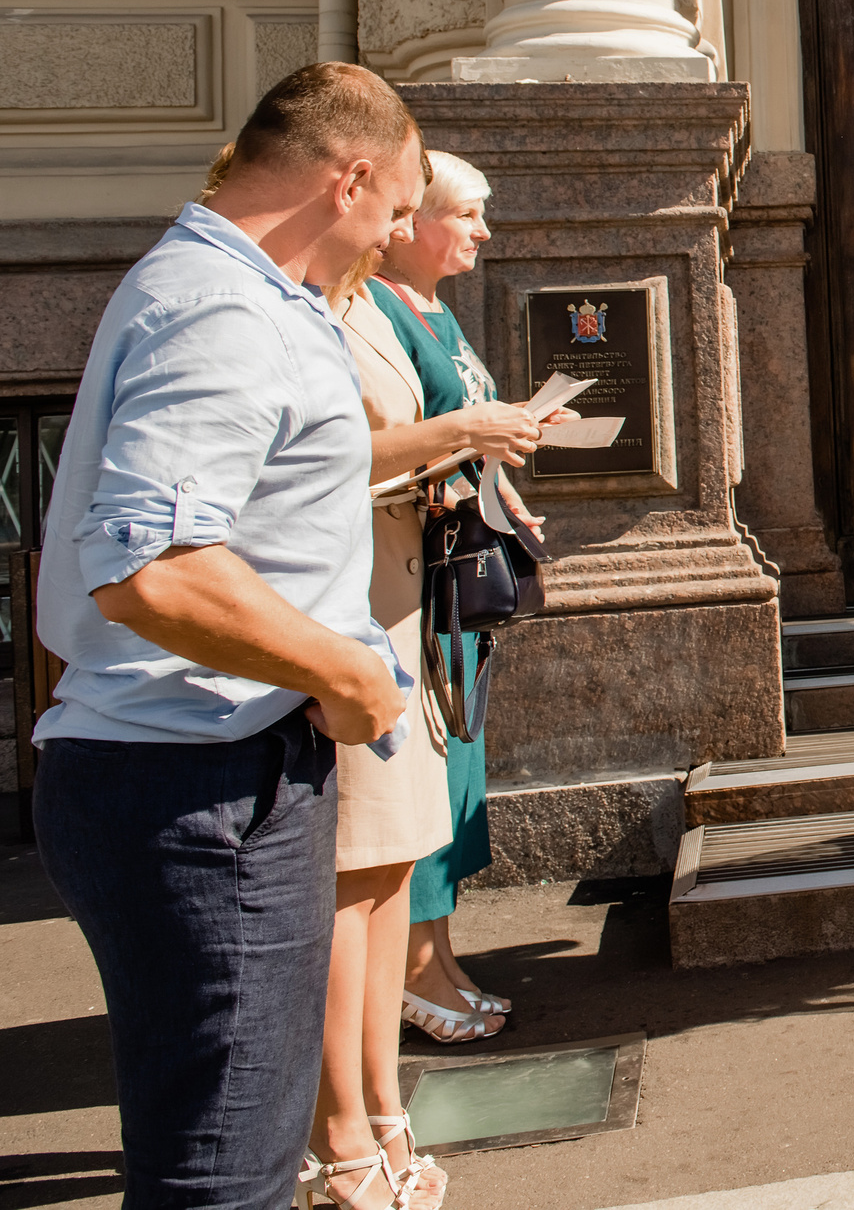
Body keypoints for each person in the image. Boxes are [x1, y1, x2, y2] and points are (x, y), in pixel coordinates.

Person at [32, 61, 416, 1210]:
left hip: (199, 770)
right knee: (224, 1175)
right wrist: (349, 672)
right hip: (204, 783)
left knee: (225, 1154)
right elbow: (150, 565)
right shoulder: (224, 304)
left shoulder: (237, 288)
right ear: (348, 180)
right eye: (396, 208)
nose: (394, 237)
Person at [305, 255, 485, 1210]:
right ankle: (339, 1142)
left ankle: (381, 1111)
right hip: (344, 611)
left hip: (396, 591)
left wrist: (442, 475)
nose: (402, 225)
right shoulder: (295, 303)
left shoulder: (360, 302)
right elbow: (309, 465)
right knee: (354, 868)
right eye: (400, 201)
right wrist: (460, 434)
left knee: (388, 865)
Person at [368, 151, 541, 1039]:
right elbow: (400, 441)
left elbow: (461, 439)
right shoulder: (378, 310)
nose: (482, 230)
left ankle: (439, 957)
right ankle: (410, 974)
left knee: (455, 764)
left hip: (458, 570)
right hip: (415, 577)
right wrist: (472, 447)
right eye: (466, 213)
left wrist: (503, 470)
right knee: (425, 767)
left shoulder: (438, 311)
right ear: (413, 221)